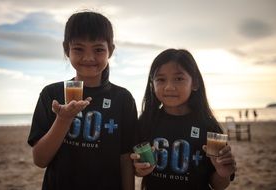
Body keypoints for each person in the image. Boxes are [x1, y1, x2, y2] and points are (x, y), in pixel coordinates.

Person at [27, 11, 137, 190]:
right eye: (78, 49)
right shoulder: (52, 93)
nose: (88, 58)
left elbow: (125, 158)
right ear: (66, 49)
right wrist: (63, 119)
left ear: (111, 50)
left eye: (98, 49)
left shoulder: (122, 99)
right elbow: (40, 160)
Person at [131, 49, 236, 190]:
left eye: (179, 78)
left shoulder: (210, 127)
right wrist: (140, 169)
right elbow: (137, 169)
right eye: (161, 79)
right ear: (152, 84)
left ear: (195, 83)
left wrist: (222, 173)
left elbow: (218, 185)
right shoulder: (146, 121)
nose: (169, 87)